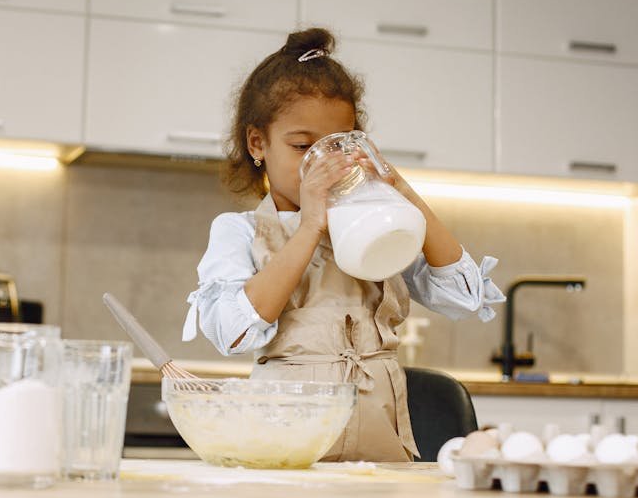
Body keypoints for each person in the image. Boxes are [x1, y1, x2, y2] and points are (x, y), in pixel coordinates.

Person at [182, 27, 505, 462]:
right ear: (257, 142)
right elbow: (232, 331)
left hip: (381, 444)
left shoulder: (371, 227)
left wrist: (402, 194)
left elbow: (464, 298)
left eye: (337, 145)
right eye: (301, 146)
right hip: (286, 445)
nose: (322, 162)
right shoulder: (238, 230)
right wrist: (310, 226)